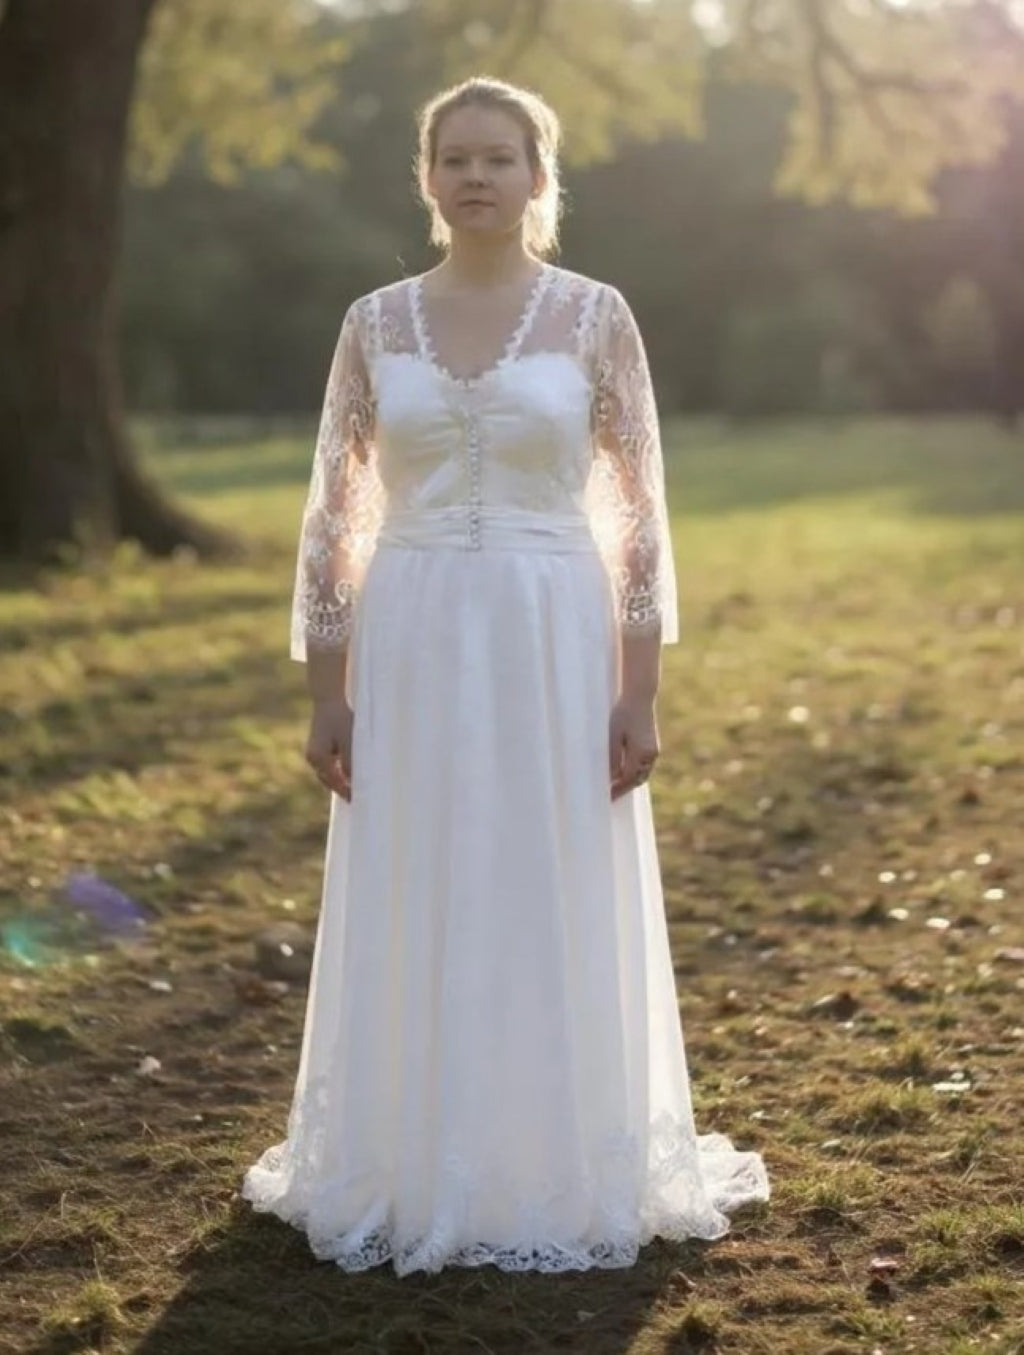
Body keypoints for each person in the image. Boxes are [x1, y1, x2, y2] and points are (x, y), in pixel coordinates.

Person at [241, 74, 770, 1276]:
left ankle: (554, 1149)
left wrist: (640, 689)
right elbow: (336, 516)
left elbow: (638, 517)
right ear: (426, 181)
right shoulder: (374, 322)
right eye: (456, 159)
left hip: (554, 630)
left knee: (546, 870)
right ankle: (412, 1147)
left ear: (540, 178)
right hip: (412, 625)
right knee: (421, 866)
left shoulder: (595, 316)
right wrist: (328, 688)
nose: (477, 177)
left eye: (501, 157)